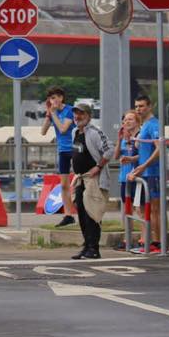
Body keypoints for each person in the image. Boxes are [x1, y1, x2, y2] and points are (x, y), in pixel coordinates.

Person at [68, 101, 110, 259]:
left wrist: (98, 167)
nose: (77, 116)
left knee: (92, 213)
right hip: (80, 179)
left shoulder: (94, 132)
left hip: (93, 179)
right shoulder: (75, 133)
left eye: (81, 113)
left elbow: (109, 149)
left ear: (88, 116)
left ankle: (94, 248)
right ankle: (86, 246)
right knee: (81, 213)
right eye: (76, 113)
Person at [128, 96, 163, 253]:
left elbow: (159, 148)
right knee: (145, 208)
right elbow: (144, 151)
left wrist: (144, 165)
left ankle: (158, 242)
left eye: (141, 106)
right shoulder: (145, 125)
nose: (138, 109)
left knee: (155, 209)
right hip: (144, 172)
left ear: (149, 106)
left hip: (152, 172)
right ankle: (152, 240)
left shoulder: (154, 124)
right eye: (136, 106)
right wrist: (134, 161)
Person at [40, 86, 77, 226]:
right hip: (62, 150)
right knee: (63, 185)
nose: (54, 100)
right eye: (51, 98)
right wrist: (48, 115)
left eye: (56, 97)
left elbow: (63, 129)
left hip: (75, 149)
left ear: (61, 97)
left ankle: (87, 211)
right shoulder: (52, 113)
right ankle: (68, 215)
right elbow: (43, 132)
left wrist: (54, 114)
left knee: (81, 181)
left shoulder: (70, 110)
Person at [115, 112, 141, 252]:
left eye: (130, 119)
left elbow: (140, 156)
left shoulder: (138, 138)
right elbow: (115, 155)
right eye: (124, 120)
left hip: (136, 177)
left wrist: (130, 159)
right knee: (127, 209)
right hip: (124, 178)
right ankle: (127, 239)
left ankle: (143, 239)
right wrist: (119, 140)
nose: (126, 123)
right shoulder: (124, 139)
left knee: (139, 209)